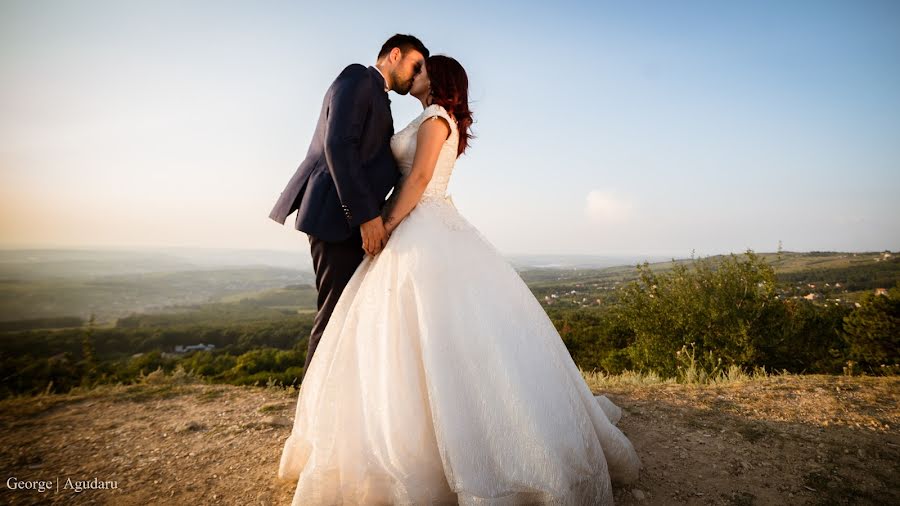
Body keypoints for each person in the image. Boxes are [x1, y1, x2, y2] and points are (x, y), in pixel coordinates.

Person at [277, 54, 642, 505]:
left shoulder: (434, 118)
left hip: (420, 222)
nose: (416, 75)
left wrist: (386, 223)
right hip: (428, 223)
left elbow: (422, 178)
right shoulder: (431, 116)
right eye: (415, 66)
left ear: (437, 78)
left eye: (423, 70)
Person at [268, 35, 429, 378]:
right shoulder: (357, 77)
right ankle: (311, 415)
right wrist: (366, 217)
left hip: (352, 221)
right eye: (415, 65)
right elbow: (339, 145)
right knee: (334, 314)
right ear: (394, 54)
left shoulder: (380, 98)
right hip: (335, 217)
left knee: (352, 314)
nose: (417, 74)